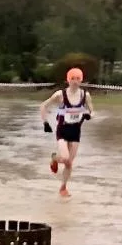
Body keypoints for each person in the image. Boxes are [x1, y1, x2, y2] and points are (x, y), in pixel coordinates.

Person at [41, 67, 93, 198]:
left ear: (81, 80)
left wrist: (89, 115)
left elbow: (92, 110)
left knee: (69, 163)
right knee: (64, 158)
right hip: (63, 130)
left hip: (76, 131)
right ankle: (54, 158)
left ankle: (63, 188)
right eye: (72, 78)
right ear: (68, 80)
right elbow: (43, 105)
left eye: (78, 78)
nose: (75, 81)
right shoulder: (60, 95)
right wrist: (45, 123)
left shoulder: (85, 95)